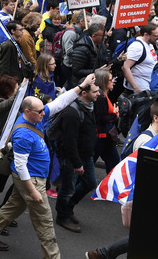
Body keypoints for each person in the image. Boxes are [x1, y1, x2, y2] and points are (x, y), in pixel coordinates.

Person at [0, 73, 98, 257]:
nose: (44, 113)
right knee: (45, 221)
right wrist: (33, 191)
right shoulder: (23, 135)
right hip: (32, 181)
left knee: (13, 207)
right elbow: (20, 166)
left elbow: (59, 103)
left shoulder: (36, 116)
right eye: (40, 111)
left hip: (34, 178)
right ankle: (53, 256)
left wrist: (81, 86)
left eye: (43, 110)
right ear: (28, 112)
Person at [53, 76, 102, 233]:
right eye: (95, 91)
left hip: (86, 155)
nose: (99, 94)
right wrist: (76, 164)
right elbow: (69, 141)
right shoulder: (72, 112)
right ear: (83, 93)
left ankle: (68, 207)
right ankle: (63, 216)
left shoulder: (89, 106)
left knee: (90, 183)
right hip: (72, 158)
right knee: (68, 188)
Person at [121, 23, 158, 93]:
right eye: (156, 36)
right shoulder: (137, 47)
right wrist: (136, 88)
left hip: (148, 85)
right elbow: (125, 67)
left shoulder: (150, 43)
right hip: (140, 88)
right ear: (146, 34)